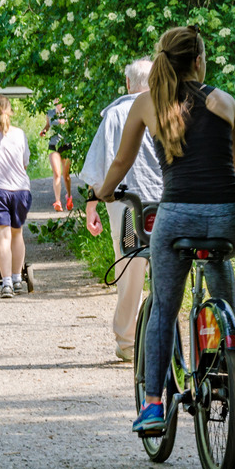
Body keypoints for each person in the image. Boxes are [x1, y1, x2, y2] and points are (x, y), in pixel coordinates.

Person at [94, 26, 235, 436]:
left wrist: (103, 193)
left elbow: (120, 164)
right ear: (199, 61)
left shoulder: (147, 103)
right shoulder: (225, 101)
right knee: (218, 260)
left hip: (178, 215)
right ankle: (225, 357)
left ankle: (152, 407)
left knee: (164, 305)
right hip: (231, 217)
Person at [80, 59, 164, 363]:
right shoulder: (169, 108)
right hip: (168, 201)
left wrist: (93, 203)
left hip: (128, 205)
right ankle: (164, 334)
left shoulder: (114, 114)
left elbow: (100, 167)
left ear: (129, 84)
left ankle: (128, 342)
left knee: (130, 265)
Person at [0, 95, 32, 298]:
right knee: (17, 234)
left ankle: (7, 283)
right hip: (21, 190)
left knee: (3, 237)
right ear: (9, 111)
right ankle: (18, 278)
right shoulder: (19, 134)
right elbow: (25, 163)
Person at [40, 101, 73, 211]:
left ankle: (69, 196)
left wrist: (67, 123)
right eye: (56, 100)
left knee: (66, 175)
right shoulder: (49, 113)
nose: (58, 102)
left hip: (66, 146)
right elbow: (48, 125)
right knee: (57, 173)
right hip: (53, 145)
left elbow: (74, 127)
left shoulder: (69, 113)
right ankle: (57, 201)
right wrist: (44, 131)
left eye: (60, 100)